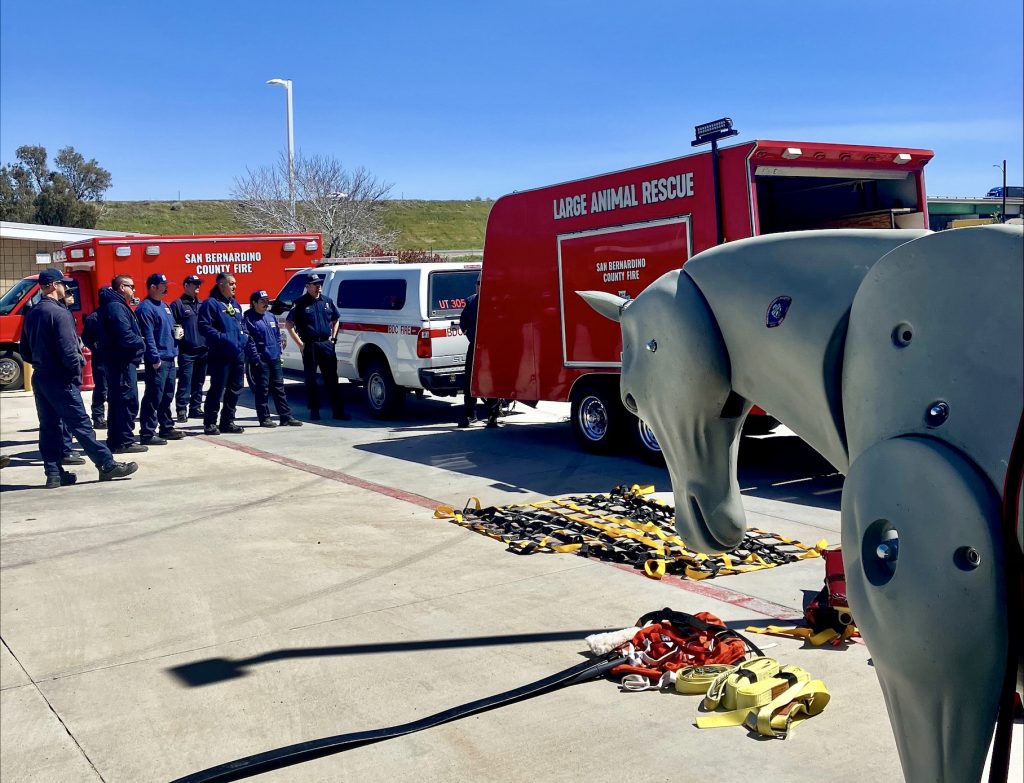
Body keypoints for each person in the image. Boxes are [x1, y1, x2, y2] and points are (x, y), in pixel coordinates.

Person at [19, 268, 138, 487]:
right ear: (54, 285)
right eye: (62, 284)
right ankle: (106, 464)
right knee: (81, 424)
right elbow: (69, 350)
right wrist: (74, 374)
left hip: (41, 376)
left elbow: (25, 351)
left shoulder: (33, 313)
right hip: (60, 378)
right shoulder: (60, 313)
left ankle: (53, 473)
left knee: (49, 426)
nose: (65, 288)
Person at [285, 273, 349, 421]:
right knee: (311, 379)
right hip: (310, 345)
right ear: (307, 286)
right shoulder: (300, 303)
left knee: (332, 378)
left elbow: (336, 319)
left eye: (319, 283)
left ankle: (338, 411)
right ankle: (314, 410)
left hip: (326, 344)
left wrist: (333, 338)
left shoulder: (327, 301)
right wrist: (300, 344)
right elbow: (289, 325)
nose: (318, 286)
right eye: (314, 284)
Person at [96, 275, 148, 454]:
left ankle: (116, 439)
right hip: (122, 363)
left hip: (119, 362)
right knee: (126, 401)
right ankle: (124, 440)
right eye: (131, 286)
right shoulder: (116, 308)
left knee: (119, 401)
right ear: (121, 287)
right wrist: (141, 341)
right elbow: (124, 335)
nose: (134, 290)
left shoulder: (116, 306)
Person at [135, 273, 184, 445]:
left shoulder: (165, 306)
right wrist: (154, 358)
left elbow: (170, 327)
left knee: (167, 395)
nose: (166, 287)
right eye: (162, 285)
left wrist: (177, 334)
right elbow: (147, 336)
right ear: (153, 287)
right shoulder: (145, 308)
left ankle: (166, 427)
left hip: (170, 357)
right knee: (154, 395)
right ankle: (147, 433)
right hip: (158, 360)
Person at [244, 289, 302, 428]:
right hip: (260, 359)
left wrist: (278, 350)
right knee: (262, 389)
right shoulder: (248, 318)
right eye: (262, 301)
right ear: (254, 303)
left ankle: (285, 417)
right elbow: (248, 340)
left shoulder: (270, 316)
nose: (265, 304)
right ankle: (264, 418)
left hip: (274, 357)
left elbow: (277, 335)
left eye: (266, 301)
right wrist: (256, 358)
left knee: (279, 388)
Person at [198, 272, 247, 435]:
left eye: (235, 283)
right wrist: (223, 338)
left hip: (237, 354)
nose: (235, 286)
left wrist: (244, 337)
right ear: (221, 285)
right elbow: (204, 326)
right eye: (231, 283)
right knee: (217, 389)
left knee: (235, 389)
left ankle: (228, 421)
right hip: (221, 354)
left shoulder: (235, 304)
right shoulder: (211, 304)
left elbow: (242, 325)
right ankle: (210, 423)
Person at [458, 277, 499, 428]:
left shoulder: (495, 302)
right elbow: (463, 321)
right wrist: (469, 333)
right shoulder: (471, 301)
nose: (479, 287)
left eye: (481, 284)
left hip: (491, 348)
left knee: (492, 381)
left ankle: (492, 416)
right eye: (477, 284)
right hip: (475, 347)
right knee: (469, 380)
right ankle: (470, 415)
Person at [170, 274, 207, 423]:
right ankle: (181, 409)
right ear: (186, 286)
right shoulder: (177, 305)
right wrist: (177, 334)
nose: (198, 286)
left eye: (199, 284)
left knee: (199, 381)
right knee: (185, 380)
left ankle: (195, 408)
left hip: (203, 350)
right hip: (187, 351)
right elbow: (173, 325)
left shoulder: (202, 304)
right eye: (194, 284)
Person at [81, 308, 108, 428]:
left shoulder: (114, 314)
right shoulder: (93, 317)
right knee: (102, 388)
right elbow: (86, 338)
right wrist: (96, 347)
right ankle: (98, 417)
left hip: (113, 357)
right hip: (100, 359)